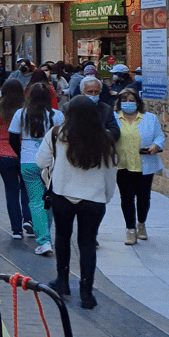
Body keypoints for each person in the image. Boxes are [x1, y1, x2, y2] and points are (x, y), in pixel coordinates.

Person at [35, 96, 117, 309]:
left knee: (62, 238)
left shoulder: (57, 134)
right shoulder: (105, 139)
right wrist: (106, 196)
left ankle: (62, 282)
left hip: (63, 195)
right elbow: (111, 171)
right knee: (88, 244)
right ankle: (86, 293)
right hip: (94, 199)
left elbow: (40, 161)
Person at [9, 82, 63, 256]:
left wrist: (21, 154)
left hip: (28, 160)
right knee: (49, 199)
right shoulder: (57, 116)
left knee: (35, 201)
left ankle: (44, 240)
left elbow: (12, 138)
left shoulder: (20, 114)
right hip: (51, 162)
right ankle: (46, 234)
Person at [113, 89, 164, 245]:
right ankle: (130, 230)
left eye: (131, 100)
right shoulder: (114, 119)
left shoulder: (150, 119)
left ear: (137, 102)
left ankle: (141, 223)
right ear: (120, 103)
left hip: (145, 165)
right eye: (125, 100)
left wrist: (156, 145)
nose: (128, 103)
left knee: (143, 198)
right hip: (123, 165)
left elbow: (160, 136)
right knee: (126, 198)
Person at [0, 80, 31, 240]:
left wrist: (0, 139)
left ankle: (16, 229)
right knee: (27, 188)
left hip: (4, 153)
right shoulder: (27, 108)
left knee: (11, 191)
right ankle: (29, 219)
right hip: (25, 151)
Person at [79, 76, 121, 141]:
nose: (93, 95)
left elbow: (115, 132)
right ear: (82, 92)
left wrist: (100, 133)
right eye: (90, 92)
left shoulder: (107, 109)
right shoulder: (70, 108)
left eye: (96, 92)